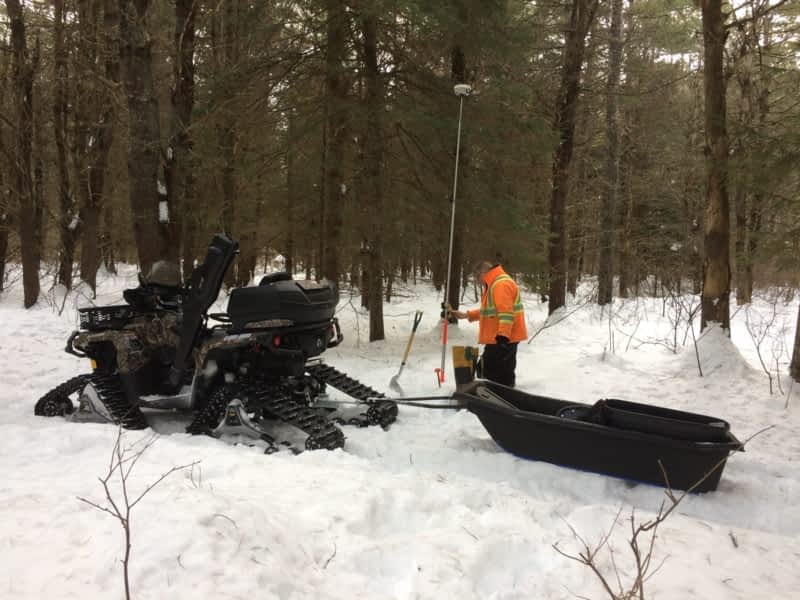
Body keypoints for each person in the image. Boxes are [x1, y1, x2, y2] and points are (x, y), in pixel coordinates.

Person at [450, 261, 527, 387]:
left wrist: (503, 336)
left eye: (477, 277)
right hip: (502, 336)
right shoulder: (495, 283)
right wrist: (467, 315)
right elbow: (490, 312)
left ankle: (499, 397)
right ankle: (503, 395)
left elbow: (506, 313)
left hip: (503, 338)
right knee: (498, 371)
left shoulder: (500, 284)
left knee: (491, 372)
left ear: (483, 273)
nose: (478, 280)